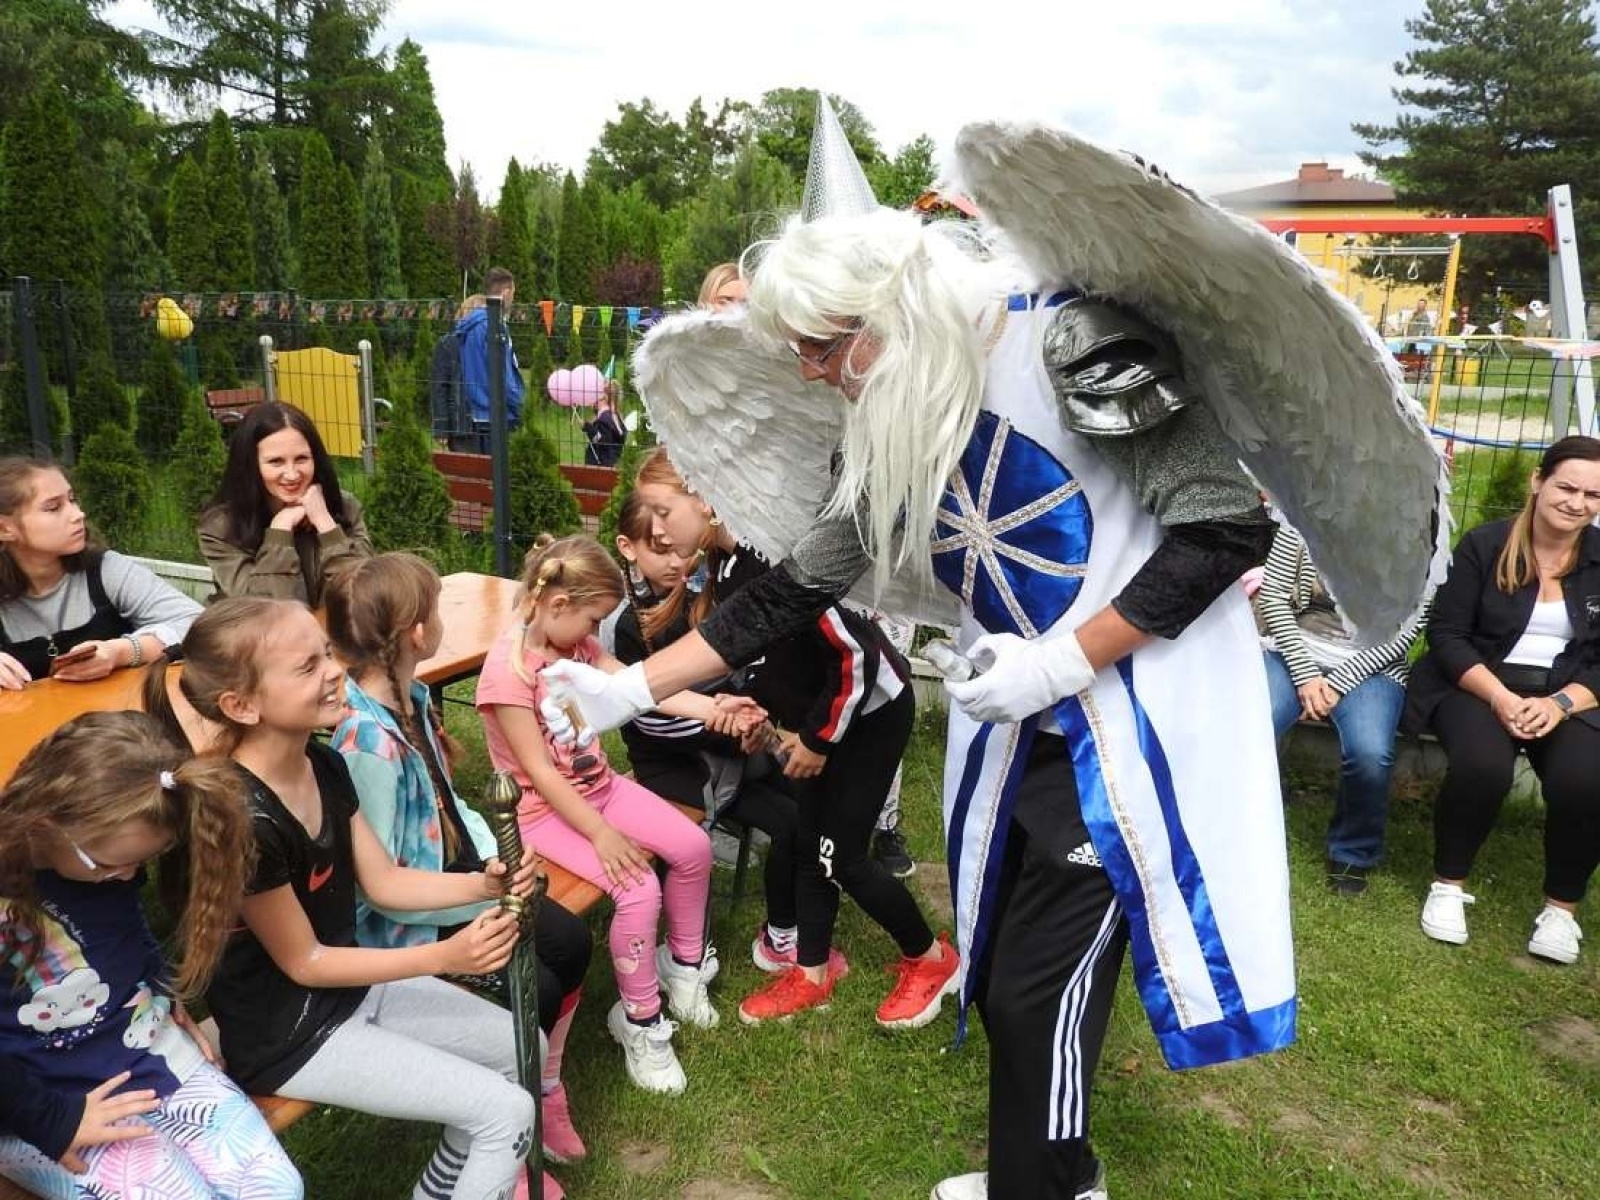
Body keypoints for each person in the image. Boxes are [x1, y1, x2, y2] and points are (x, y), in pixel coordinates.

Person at [144, 598, 548, 1200]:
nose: (334, 670)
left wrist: (481, 884)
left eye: (326, 653)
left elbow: (383, 883)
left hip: (348, 988)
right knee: (504, 1114)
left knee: (526, 1050)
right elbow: (304, 961)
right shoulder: (243, 819)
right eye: (306, 667)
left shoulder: (324, 764)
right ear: (241, 705)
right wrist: (444, 957)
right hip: (289, 1032)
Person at [631, 449, 958, 1027]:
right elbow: (770, 662)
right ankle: (812, 971)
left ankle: (930, 959)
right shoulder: (728, 570)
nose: (655, 528)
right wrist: (761, 715)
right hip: (822, 724)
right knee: (810, 844)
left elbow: (855, 657)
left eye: (663, 510)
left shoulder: (776, 562)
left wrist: (818, 742)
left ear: (704, 497)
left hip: (870, 715)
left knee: (845, 856)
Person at [324, 553, 593, 1169]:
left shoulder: (412, 698)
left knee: (572, 943)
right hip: (413, 918)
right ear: (418, 632)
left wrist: (506, 861)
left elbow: (447, 809)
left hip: (462, 882)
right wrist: (479, 885)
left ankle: (542, 1088)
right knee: (539, 987)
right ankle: (509, 1130)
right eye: (436, 609)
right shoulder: (367, 743)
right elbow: (380, 889)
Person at [474, 534, 760, 1094]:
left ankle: (682, 968)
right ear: (557, 605)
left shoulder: (574, 647)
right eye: (591, 619)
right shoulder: (507, 677)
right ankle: (640, 1020)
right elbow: (545, 774)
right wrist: (601, 833)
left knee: (695, 848)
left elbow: (635, 688)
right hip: (545, 814)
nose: (593, 632)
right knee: (638, 890)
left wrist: (711, 706)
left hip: (600, 789)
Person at [0, 710, 303, 1200]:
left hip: (140, 1047)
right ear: (45, 819)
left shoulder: (99, 857)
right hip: (38, 1099)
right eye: (110, 864)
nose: (125, 877)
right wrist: (52, 1121)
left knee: (275, 1188)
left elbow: (123, 928)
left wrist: (160, 989)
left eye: (139, 864)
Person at [1405, 436, 1600, 964]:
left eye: (1592, 495)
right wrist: (1500, 699)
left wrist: (1559, 703)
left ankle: (1561, 910)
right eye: (1566, 487)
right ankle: (1448, 886)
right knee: (1482, 766)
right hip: (1478, 682)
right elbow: (1445, 635)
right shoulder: (1484, 545)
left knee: (1587, 777)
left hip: (1571, 692)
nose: (1577, 503)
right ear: (1538, 482)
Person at [609, 489, 810, 979]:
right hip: (679, 768)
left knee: (807, 803)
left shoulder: (705, 592)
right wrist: (718, 721)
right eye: (661, 550)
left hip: (731, 753)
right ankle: (778, 934)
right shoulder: (629, 627)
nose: (678, 560)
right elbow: (644, 717)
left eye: (680, 549)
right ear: (627, 548)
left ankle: (799, 912)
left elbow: (735, 678)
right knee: (788, 825)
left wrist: (749, 719)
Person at [1256, 517, 1426, 894]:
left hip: (1372, 664)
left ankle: (1352, 851)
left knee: (1370, 752)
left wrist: (1337, 683)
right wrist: (1305, 675)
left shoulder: (1419, 532)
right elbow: (1272, 596)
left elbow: (1410, 625)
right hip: (1295, 650)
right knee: (1253, 727)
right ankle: (1237, 832)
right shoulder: (1300, 514)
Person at [0, 457, 202, 690]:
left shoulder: (105, 569)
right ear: (5, 529)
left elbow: (198, 624)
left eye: (72, 500)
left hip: (119, 720)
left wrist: (121, 652)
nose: (78, 514)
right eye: (54, 507)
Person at [198, 402, 372, 607]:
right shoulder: (220, 528)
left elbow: (363, 596)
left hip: (333, 634)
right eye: (276, 462)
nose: (292, 474)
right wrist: (279, 533)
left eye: (301, 459)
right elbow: (264, 609)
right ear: (251, 465)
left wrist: (326, 525)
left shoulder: (345, 507)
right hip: (257, 636)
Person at [457, 268, 526, 450]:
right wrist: (520, 408)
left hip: (473, 412)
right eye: (513, 294)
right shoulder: (495, 327)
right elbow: (503, 375)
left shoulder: (467, 327)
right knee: (499, 474)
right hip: (497, 413)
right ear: (506, 293)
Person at [581, 381, 627, 467]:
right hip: (611, 464)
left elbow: (602, 442)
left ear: (603, 397)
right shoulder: (615, 416)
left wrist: (588, 428)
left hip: (600, 467)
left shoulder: (604, 419)